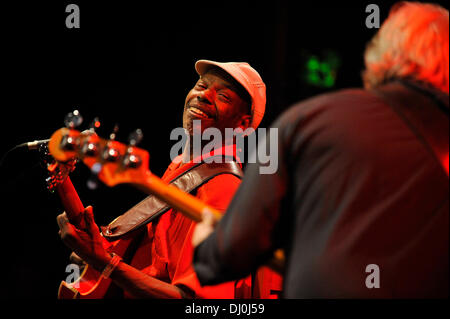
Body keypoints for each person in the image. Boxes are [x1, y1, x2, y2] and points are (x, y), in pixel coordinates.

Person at [192, 2, 449, 298]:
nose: (204, 96)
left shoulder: (306, 120)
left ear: (382, 54)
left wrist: (206, 242)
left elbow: (229, 254)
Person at [57, 59, 282, 298]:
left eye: (223, 97)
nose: (204, 95)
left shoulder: (222, 187)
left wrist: (107, 264)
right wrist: (61, 180)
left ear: (243, 124)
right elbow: (154, 262)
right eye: (201, 85)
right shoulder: (184, 168)